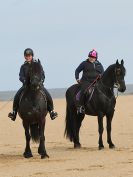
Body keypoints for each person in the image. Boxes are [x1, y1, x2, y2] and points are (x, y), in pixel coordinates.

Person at [8, 48, 58, 121]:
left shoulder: (37, 65)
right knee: (17, 95)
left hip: (37, 84)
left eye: (29, 55)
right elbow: (20, 76)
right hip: (26, 86)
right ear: (24, 56)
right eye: (26, 56)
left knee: (47, 94)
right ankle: (14, 112)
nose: (28, 57)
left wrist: (41, 81)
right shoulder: (23, 66)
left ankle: (51, 111)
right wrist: (24, 80)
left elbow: (42, 74)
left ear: (32, 56)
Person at [75, 49, 104, 114]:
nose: (91, 58)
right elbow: (77, 71)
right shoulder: (84, 63)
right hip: (86, 81)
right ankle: (80, 106)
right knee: (85, 91)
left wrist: (101, 76)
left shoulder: (99, 64)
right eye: (90, 57)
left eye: (93, 57)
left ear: (96, 58)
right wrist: (77, 78)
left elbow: (103, 73)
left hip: (97, 82)